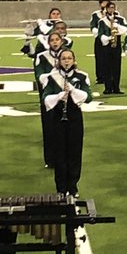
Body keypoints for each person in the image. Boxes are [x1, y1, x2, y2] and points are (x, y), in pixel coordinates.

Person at [39, 48, 92, 197]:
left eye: (69, 58)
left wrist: (73, 91)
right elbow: (45, 98)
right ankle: (61, 188)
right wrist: (58, 96)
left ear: (74, 60)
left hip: (74, 117)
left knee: (75, 152)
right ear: (59, 61)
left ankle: (73, 186)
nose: (67, 61)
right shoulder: (52, 77)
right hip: (57, 118)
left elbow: (88, 97)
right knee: (60, 154)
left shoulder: (81, 76)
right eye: (63, 58)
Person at [34, 30, 70, 167]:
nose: (55, 42)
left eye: (57, 40)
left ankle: (65, 157)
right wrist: (54, 76)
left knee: (65, 128)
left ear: (61, 41)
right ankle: (50, 159)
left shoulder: (66, 55)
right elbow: (40, 76)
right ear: (48, 43)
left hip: (65, 96)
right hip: (49, 95)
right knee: (49, 127)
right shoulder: (42, 56)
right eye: (52, 40)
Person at [93, 0, 126, 95]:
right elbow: (100, 34)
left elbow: (125, 29)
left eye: (113, 8)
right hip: (106, 45)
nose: (111, 9)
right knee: (107, 66)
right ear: (106, 9)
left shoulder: (120, 19)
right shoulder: (102, 21)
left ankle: (116, 87)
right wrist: (108, 38)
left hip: (117, 44)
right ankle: (108, 87)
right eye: (109, 8)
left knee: (117, 66)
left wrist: (117, 27)